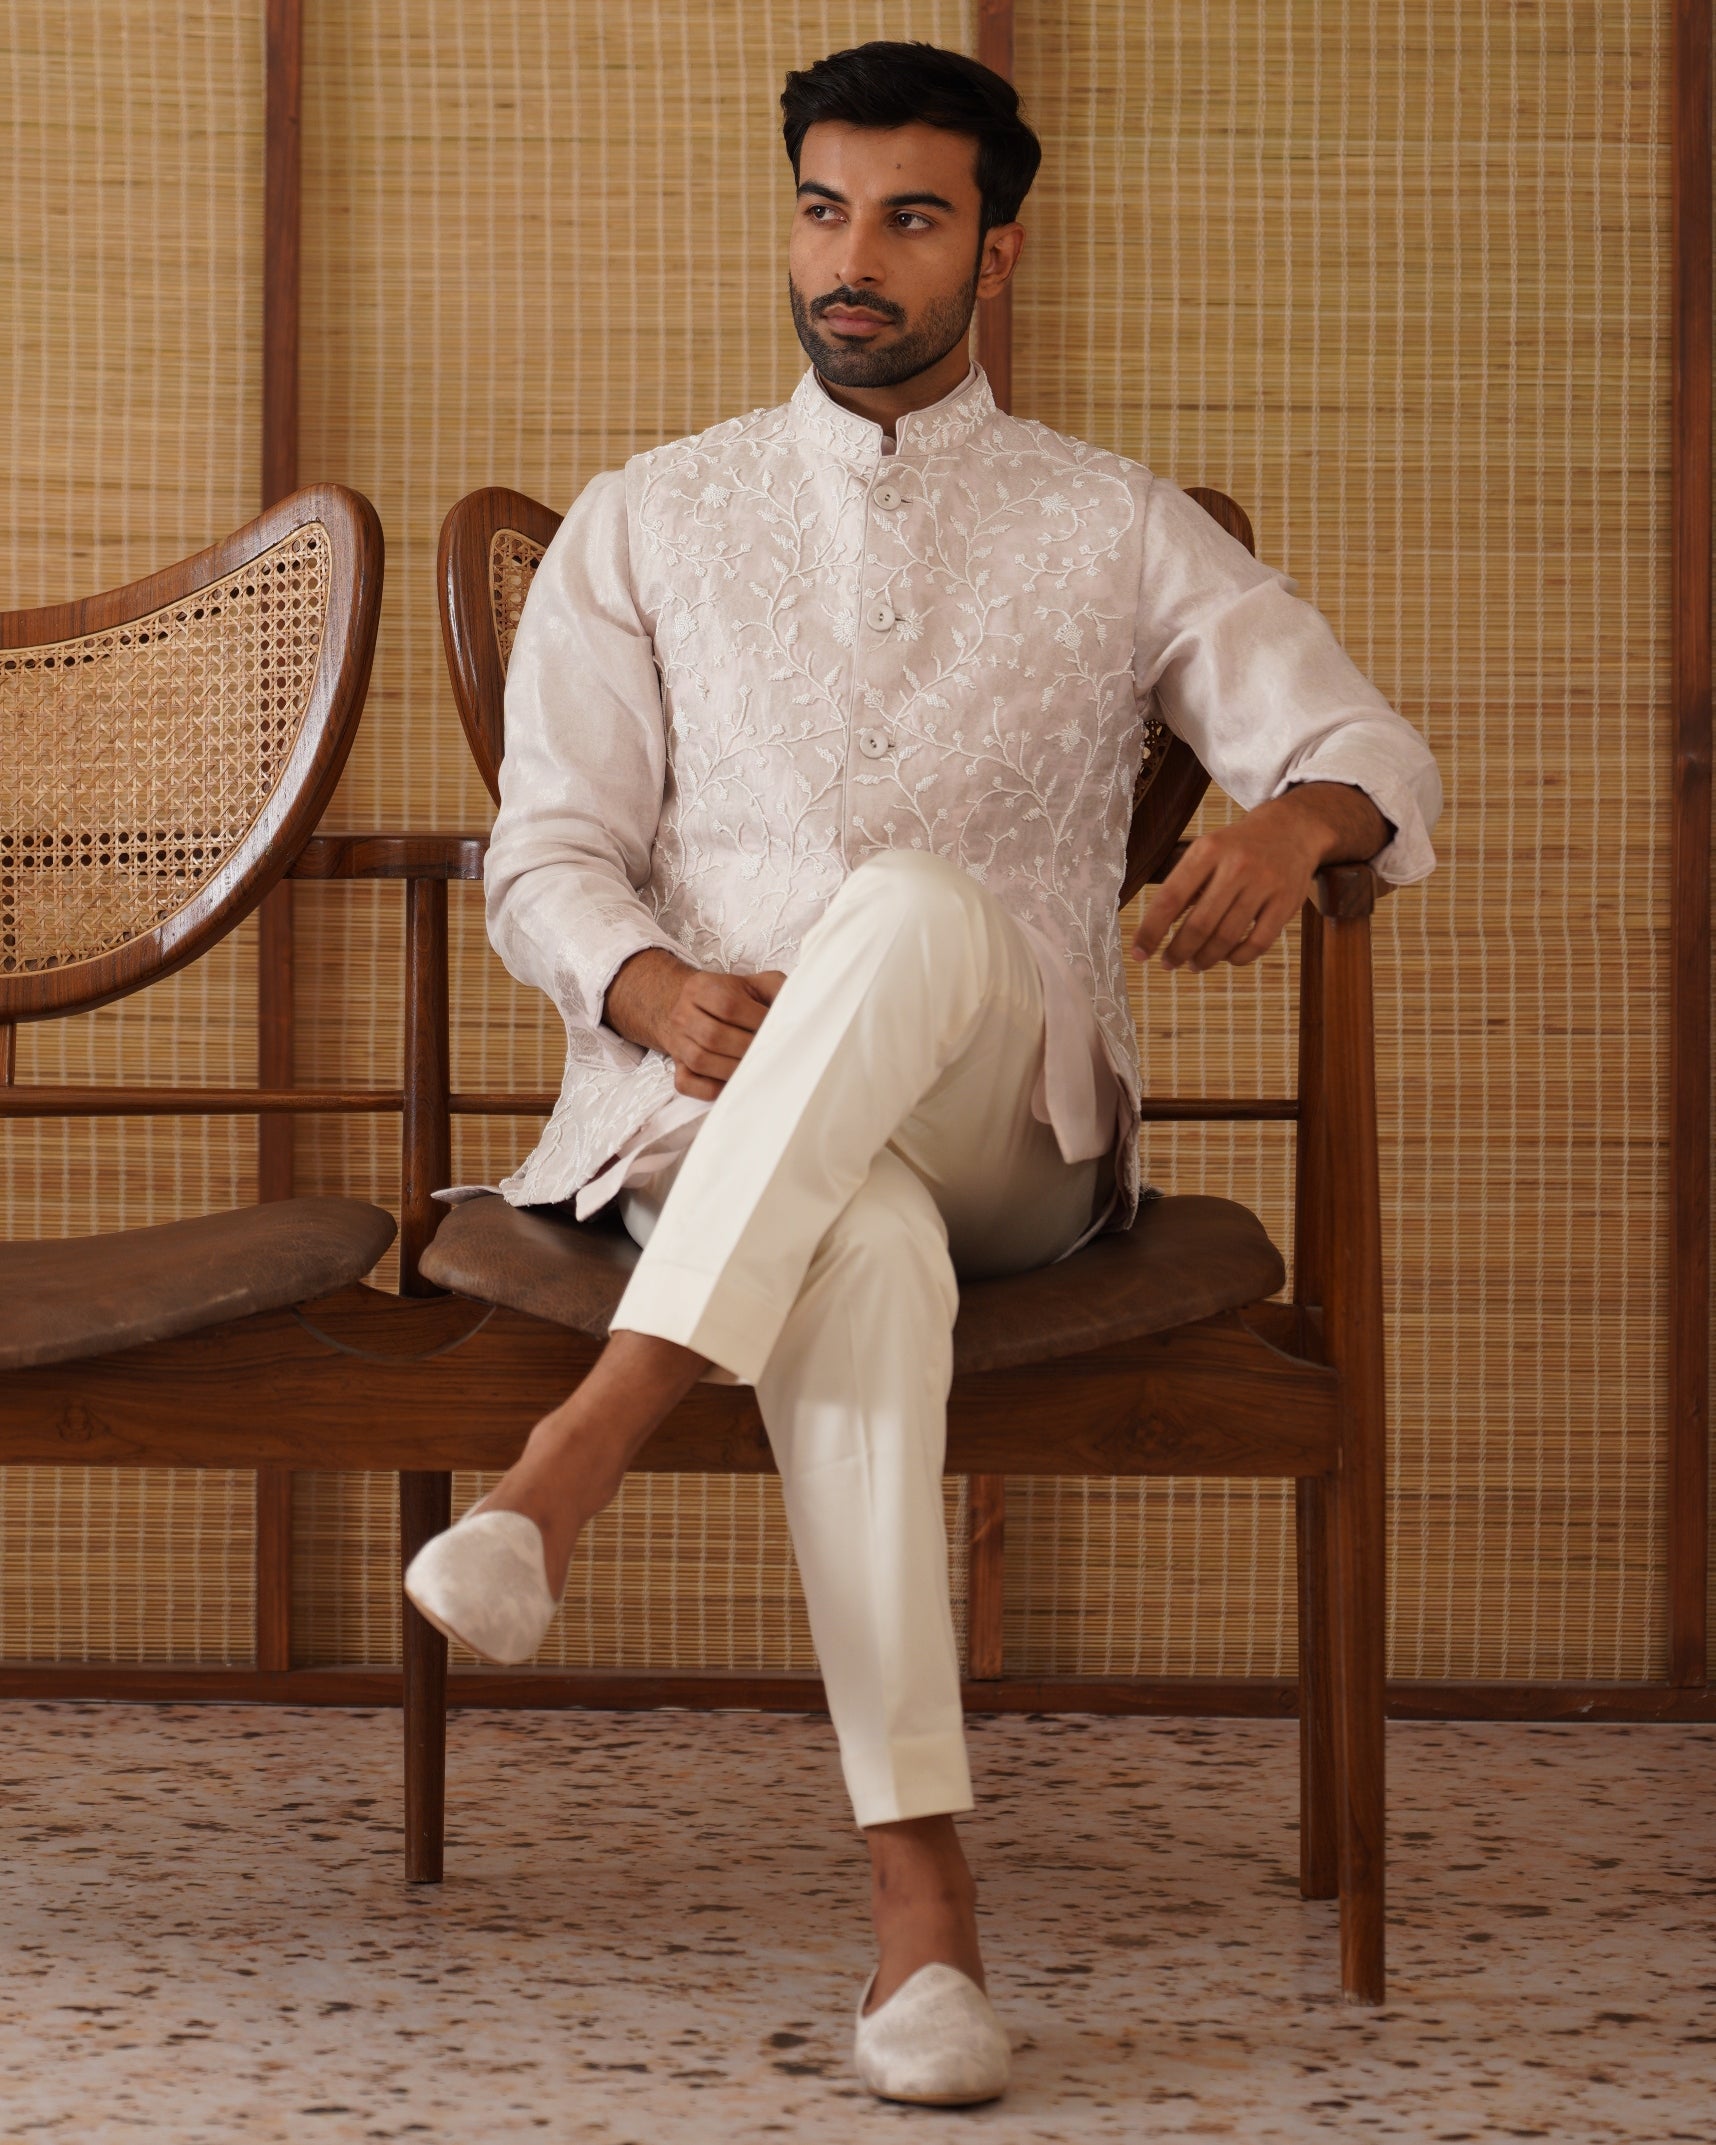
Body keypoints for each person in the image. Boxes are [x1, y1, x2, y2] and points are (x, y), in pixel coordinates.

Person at [406, 39, 1441, 2106]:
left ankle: (579, 1451)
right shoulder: (649, 516)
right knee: (855, 1241)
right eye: (822, 209)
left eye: (908, 217)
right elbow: (543, 856)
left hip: (1013, 1133)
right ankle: (926, 1918)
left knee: (910, 908)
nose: (852, 259)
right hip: (706, 1112)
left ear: (997, 249)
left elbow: (1371, 747)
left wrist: (1292, 822)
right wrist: (644, 985)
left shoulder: (1118, 524)